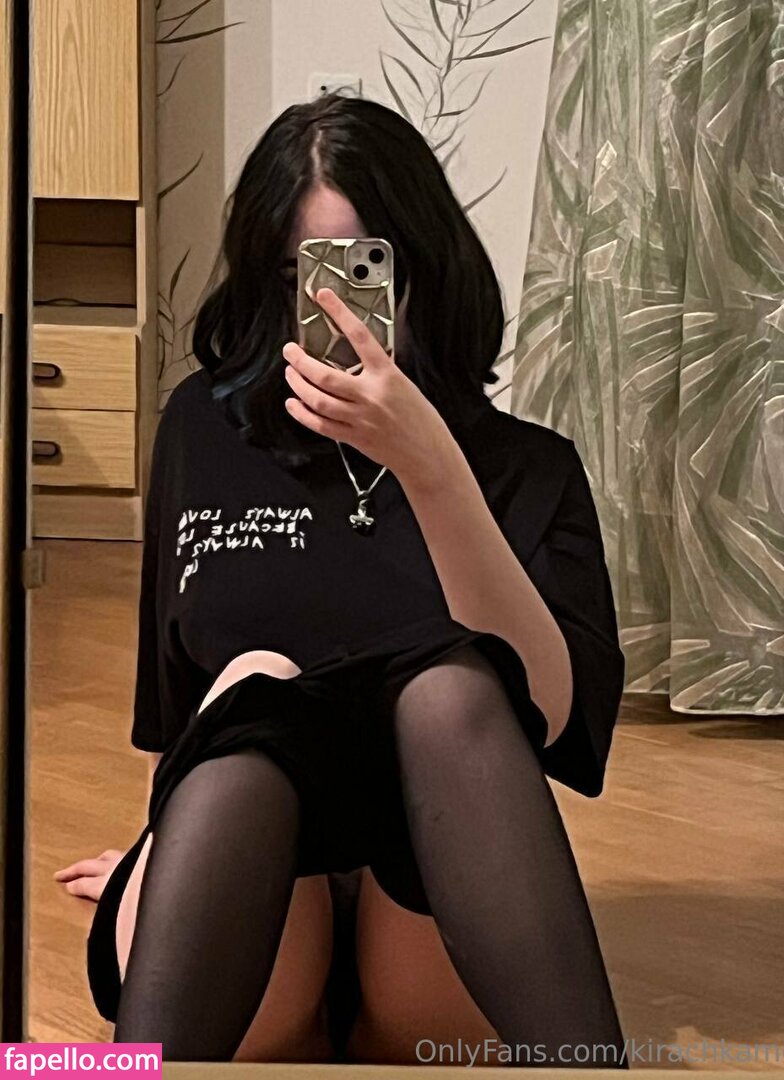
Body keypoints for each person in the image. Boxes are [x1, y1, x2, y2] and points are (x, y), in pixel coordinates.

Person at [55, 92, 628, 1065]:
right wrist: (162, 861)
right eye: (301, 275)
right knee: (253, 685)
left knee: (450, 688)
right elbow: (176, 712)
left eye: (363, 269)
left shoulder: (529, 469)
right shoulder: (201, 428)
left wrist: (431, 468)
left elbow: (554, 718)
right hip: (259, 884)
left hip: (432, 905)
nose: (332, 306)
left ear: (425, 266)